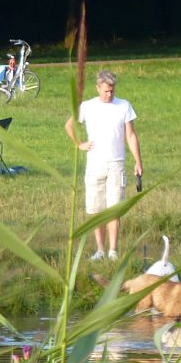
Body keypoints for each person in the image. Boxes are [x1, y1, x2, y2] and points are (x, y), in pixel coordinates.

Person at [64, 70, 142, 261]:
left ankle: (113, 250)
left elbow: (130, 135)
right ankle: (100, 249)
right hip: (95, 164)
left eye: (112, 90)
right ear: (98, 88)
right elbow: (69, 125)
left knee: (114, 208)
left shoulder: (124, 106)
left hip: (116, 164)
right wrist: (79, 144)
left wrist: (138, 162)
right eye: (106, 91)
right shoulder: (88, 106)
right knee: (96, 208)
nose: (109, 94)